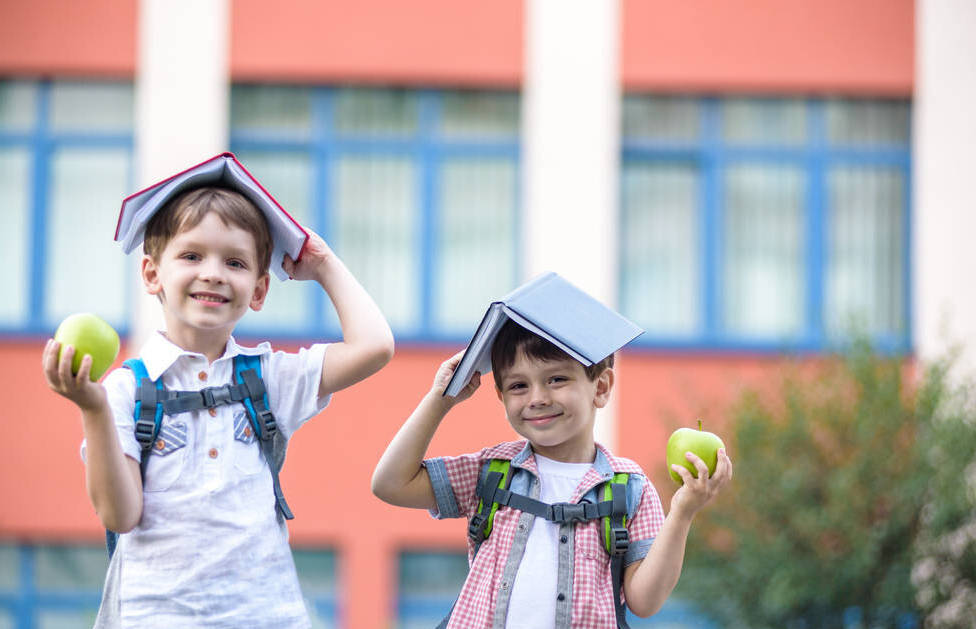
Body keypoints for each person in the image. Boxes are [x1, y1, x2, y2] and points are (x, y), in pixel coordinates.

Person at [42, 160, 394, 628]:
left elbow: (374, 347)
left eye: (235, 262)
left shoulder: (268, 379)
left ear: (259, 289)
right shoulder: (124, 390)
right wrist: (93, 408)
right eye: (191, 256)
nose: (213, 273)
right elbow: (120, 513)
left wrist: (326, 266)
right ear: (152, 275)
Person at [372, 316, 732, 628]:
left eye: (557, 379)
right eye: (518, 385)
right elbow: (390, 484)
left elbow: (645, 601)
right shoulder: (493, 471)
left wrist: (683, 512)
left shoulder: (628, 488)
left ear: (601, 387)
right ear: (500, 396)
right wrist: (441, 399)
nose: (537, 397)